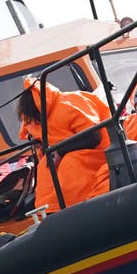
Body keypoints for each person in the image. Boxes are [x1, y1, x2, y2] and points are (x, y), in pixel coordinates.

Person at [17, 79, 111, 213]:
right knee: (45, 167)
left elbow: (94, 137)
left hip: (101, 151)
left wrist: (60, 151)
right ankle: (50, 211)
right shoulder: (34, 117)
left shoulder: (71, 104)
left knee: (71, 164)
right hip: (63, 155)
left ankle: (76, 208)